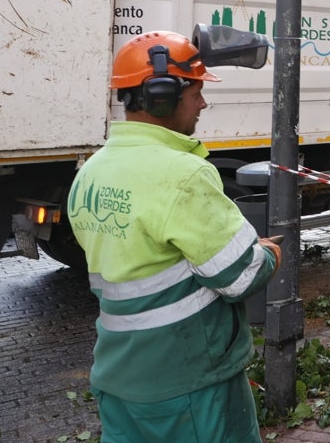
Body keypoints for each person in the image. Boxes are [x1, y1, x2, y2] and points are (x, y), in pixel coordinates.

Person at [68, 31, 280, 443]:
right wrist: (269, 254)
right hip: (189, 384)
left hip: (120, 379)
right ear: (162, 96)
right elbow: (239, 276)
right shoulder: (184, 175)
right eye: (196, 92)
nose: (202, 103)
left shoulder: (90, 172)